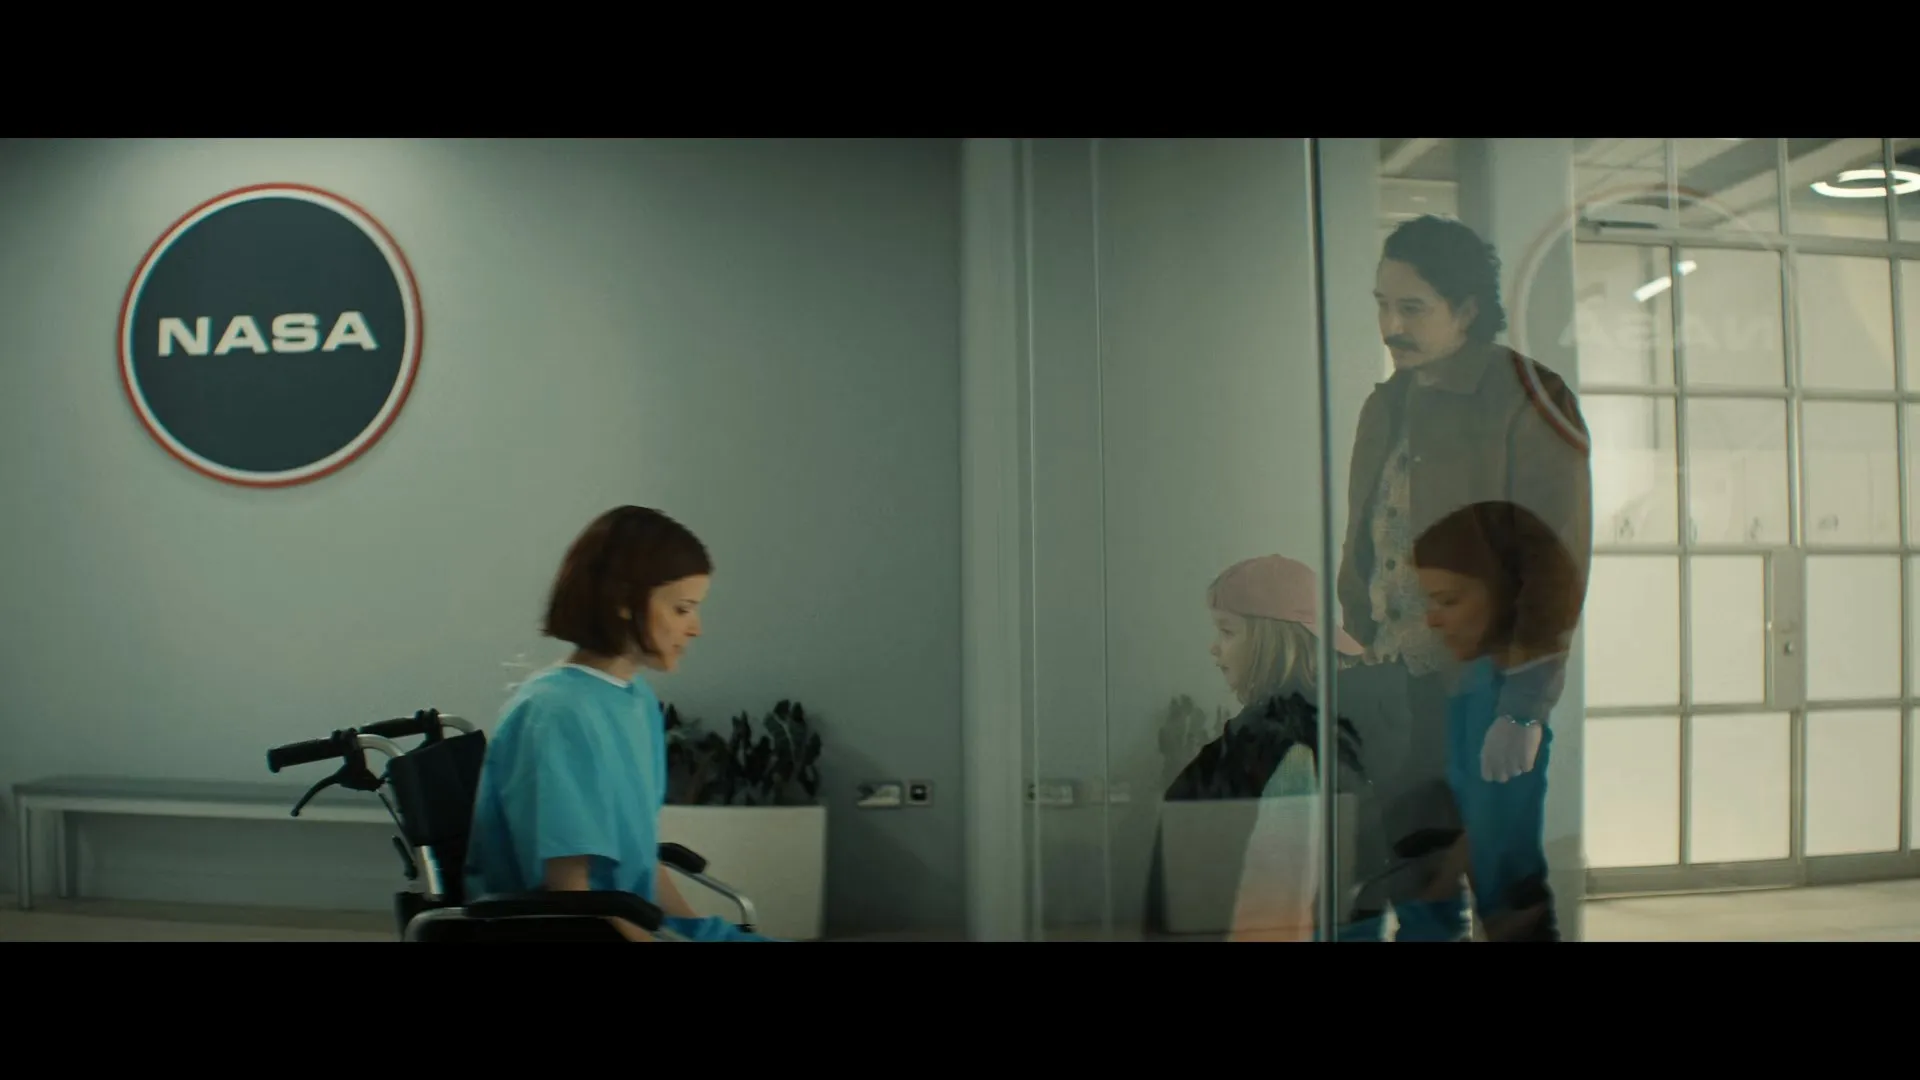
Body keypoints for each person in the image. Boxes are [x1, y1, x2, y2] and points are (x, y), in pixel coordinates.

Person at [1335, 214, 1591, 938]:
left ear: (1468, 309)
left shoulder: (1527, 396)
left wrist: (1524, 708)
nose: (1391, 325)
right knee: (1420, 883)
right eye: (1382, 304)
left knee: (1506, 886)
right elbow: (1367, 543)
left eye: (1412, 307)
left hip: (1485, 684)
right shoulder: (1385, 405)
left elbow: (1556, 562)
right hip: (1394, 682)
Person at [464, 505, 773, 942]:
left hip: (635, 921)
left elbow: (640, 860)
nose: (695, 629)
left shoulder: (635, 699)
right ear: (624, 602)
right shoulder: (556, 713)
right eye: (682, 609)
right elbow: (572, 893)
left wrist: (696, 932)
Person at [1152, 554, 1373, 939]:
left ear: (1270, 641)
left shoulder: (1288, 745)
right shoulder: (1275, 732)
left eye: (1227, 631)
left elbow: (1277, 895)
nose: (1214, 648)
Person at [1410, 501, 1586, 942]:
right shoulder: (1472, 684)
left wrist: (1441, 885)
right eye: (1429, 601)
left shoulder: (1504, 709)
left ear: (1505, 595)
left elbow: (1496, 830)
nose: (1431, 619)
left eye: (1448, 600)